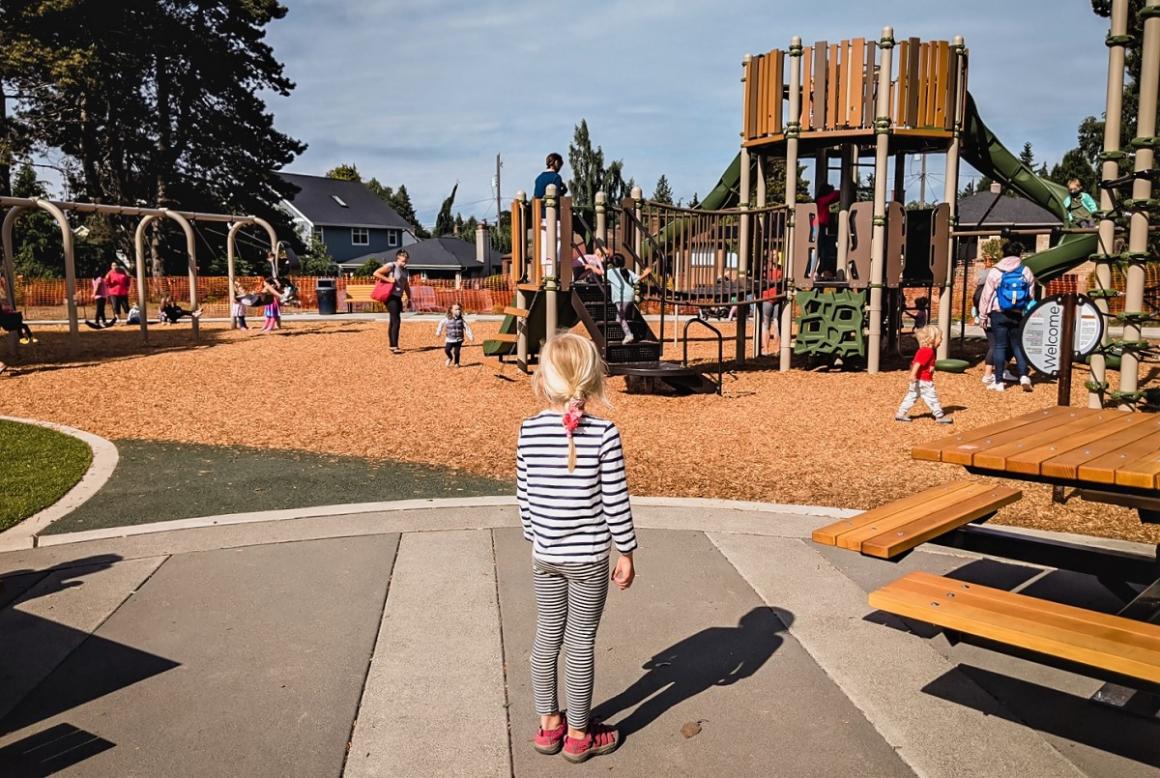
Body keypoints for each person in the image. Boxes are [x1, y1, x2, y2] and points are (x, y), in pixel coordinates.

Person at [516, 333, 637, 764]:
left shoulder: (529, 430)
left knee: (547, 638)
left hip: (545, 556)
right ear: (591, 378)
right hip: (588, 559)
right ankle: (580, 733)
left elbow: (524, 496)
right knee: (581, 643)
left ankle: (549, 725)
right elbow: (615, 498)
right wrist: (625, 550)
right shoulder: (604, 433)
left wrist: (536, 536)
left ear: (544, 378)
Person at [978, 241, 1035, 392]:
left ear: (1003, 253)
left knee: (999, 346)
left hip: (998, 313)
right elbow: (1031, 295)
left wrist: (983, 315)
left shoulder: (996, 271)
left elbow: (986, 295)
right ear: (1019, 254)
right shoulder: (1025, 270)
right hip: (1017, 313)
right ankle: (1024, 375)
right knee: (1017, 345)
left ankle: (998, 382)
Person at [896, 325, 953, 424]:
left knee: (911, 396)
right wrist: (913, 374)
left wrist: (929, 367)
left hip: (918, 380)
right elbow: (917, 363)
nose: (942, 340)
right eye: (940, 338)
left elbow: (917, 363)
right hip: (924, 381)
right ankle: (939, 416)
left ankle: (900, 414)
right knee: (931, 397)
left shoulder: (923, 350)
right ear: (932, 339)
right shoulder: (928, 351)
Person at [606, 253, 652, 345]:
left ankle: (629, 335)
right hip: (630, 296)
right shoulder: (626, 271)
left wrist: (591, 267)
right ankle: (629, 333)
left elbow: (600, 273)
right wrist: (645, 273)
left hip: (621, 297)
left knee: (620, 318)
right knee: (623, 317)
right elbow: (637, 279)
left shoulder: (611, 272)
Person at [372, 249, 412, 353]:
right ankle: (394, 346)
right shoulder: (391, 266)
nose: (404, 263)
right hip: (390, 295)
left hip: (398, 296)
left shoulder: (405, 270)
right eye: (402, 261)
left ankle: (392, 345)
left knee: (393, 320)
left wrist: (409, 298)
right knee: (396, 319)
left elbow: (406, 285)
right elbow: (376, 273)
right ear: (397, 259)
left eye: (406, 261)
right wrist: (389, 280)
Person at [435, 303, 474, 367]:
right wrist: (438, 332)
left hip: (459, 339)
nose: (458, 311)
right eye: (456, 309)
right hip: (450, 339)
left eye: (459, 309)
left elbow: (467, 328)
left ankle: (456, 363)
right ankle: (450, 358)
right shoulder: (447, 319)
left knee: (456, 352)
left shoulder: (461, 320)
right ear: (451, 310)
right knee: (447, 350)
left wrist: (470, 336)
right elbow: (441, 324)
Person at [814, 183, 840, 278]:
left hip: (821, 226)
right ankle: (822, 270)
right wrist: (845, 188)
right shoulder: (822, 201)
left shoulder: (819, 201)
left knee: (822, 248)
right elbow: (836, 195)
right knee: (823, 248)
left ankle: (821, 270)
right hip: (821, 226)